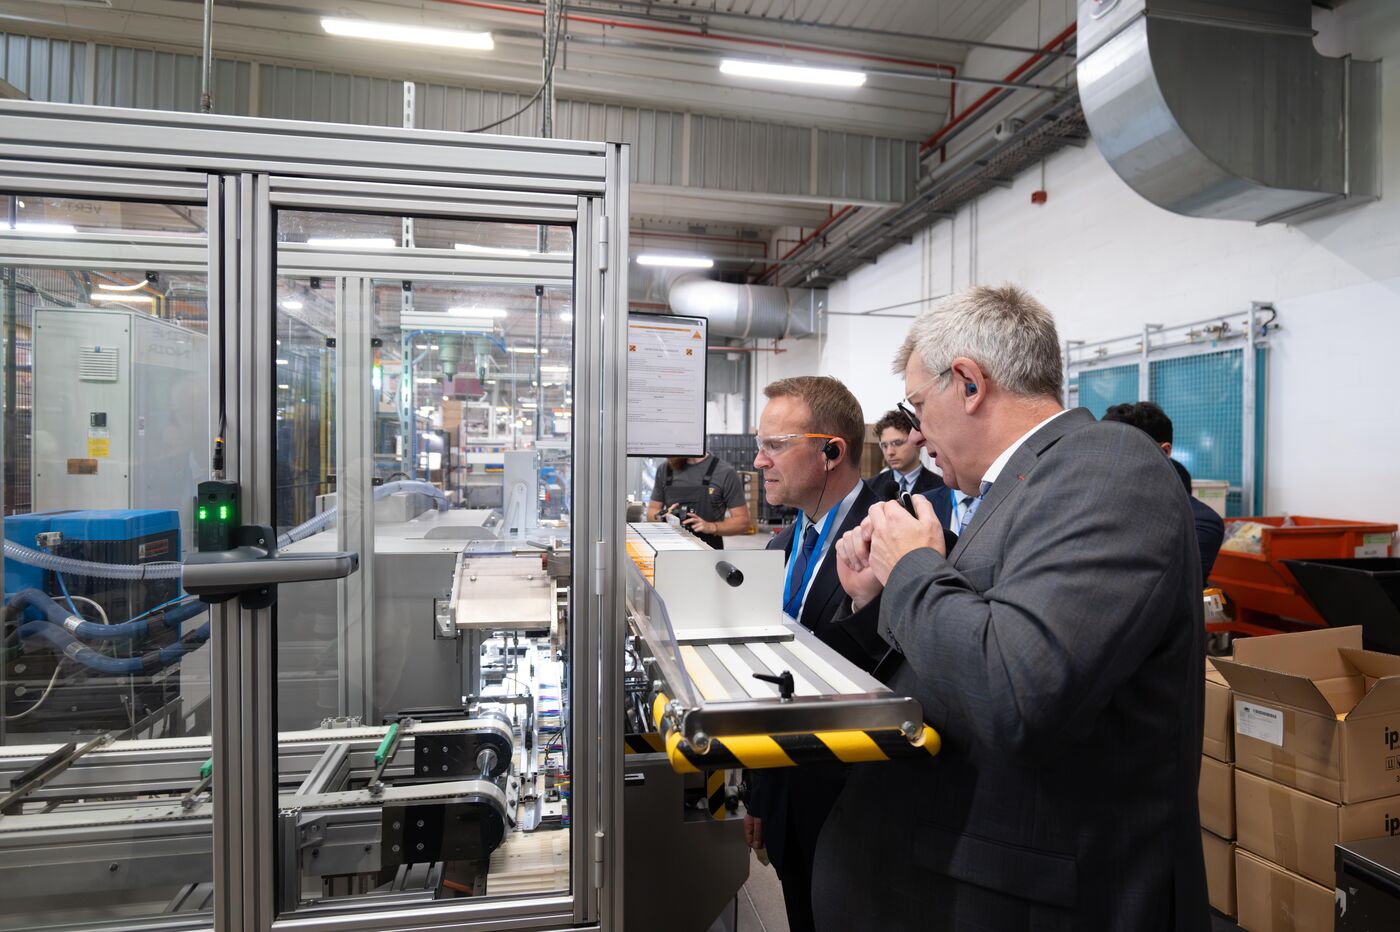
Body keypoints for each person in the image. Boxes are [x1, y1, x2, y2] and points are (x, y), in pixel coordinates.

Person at [821, 285, 1209, 931]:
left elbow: (1017, 689)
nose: (917, 434)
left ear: (970, 383)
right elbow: (969, 644)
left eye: (919, 406)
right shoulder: (1020, 487)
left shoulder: (1106, 466)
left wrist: (912, 567)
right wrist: (877, 594)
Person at [744, 377, 917, 932]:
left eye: (775, 445)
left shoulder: (895, 539)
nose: (759, 461)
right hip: (789, 798)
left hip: (862, 812)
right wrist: (759, 791)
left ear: (832, 452)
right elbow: (771, 675)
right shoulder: (783, 545)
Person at [1102, 401, 1226, 583]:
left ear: (1164, 451)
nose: (1113, 462)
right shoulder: (1095, 504)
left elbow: (1168, 585)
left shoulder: (1198, 522)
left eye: (1126, 451)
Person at [645, 451, 750, 549]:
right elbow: (651, 512)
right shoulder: (665, 469)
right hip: (670, 548)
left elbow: (742, 522)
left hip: (708, 551)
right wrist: (665, 517)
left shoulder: (724, 472)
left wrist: (711, 527)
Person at [870, 408, 947, 506]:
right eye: (884, 445)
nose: (890, 452)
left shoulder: (941, 486)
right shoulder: (870, 487)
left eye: (897, 443)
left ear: (915, 440)